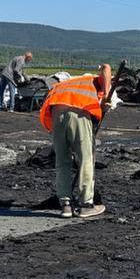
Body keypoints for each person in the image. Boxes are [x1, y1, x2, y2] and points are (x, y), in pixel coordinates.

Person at [39, 64, 112, 218]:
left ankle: (65, 204)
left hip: (56, 113)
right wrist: (106, 95)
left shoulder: (70, 83)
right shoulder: (94, 82)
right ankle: (86, 204)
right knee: (85, 158)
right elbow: (106, 67)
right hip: (77, 113)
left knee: (62, 160)